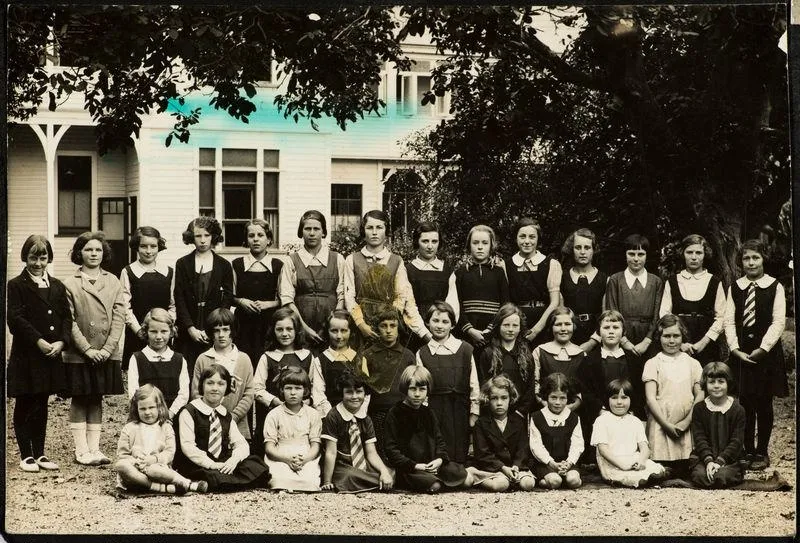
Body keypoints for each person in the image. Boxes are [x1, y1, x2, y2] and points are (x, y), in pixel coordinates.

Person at [723, 239, 788, 471]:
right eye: (746, 258)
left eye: (755, 258)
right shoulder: (735, 288)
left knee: (764, 402)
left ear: (763, 259)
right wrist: (734, 349)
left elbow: (779, 321)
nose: (750, 263)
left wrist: (763, 348)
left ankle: (762, 451)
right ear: (741, 262)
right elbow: (728, 321)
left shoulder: (774, 286)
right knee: (745, 403)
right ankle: (747, 449)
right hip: (741, 353)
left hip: (765, 355)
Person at [62, 231, 126, 466]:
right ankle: (81, 450)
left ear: (104, 253)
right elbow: (67, 321)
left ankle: (95, 449)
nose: (93, 254)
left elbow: (119, 316)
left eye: (98, 250)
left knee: (96, 397)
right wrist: (87, 349)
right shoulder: (69, 284)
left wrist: (108, 349)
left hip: (105, 351)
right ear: (79, 253)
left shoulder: (113, 281)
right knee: (80, 398)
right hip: (80, 354)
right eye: (88, 249)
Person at [7, 235, 69, 472]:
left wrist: (62, 342)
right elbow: (16, 318)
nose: (38, 263)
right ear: (25, 257)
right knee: (25, 401)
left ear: (49, 258)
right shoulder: (16, 285)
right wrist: (39, 341)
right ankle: (26, 455)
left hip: (51, 354)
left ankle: (40, 453)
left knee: (42, 402)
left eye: (43, 257)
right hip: (28, 354)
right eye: (33, 257)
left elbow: (66, 317)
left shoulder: (57, 286)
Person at [174, 364, 271, 492]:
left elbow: (241, 443)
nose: (215, 388)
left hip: (221, 459)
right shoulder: (190, 411)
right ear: (202, 385)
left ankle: (226, 481)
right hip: (199, 462)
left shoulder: (225, 414)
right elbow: (188, 447)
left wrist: (233, 461)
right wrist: (211, 464)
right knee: (214, 476)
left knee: (257, 467)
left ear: (226, 388)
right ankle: (220, 482)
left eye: (221, 384)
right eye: (210, 383)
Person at [343, 209, 430, 348]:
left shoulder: (396, 261)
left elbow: (403, 297)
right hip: (360, 329)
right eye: (369, 227)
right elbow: (349, 297)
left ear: (386, 231)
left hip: (388, 329)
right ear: (363, 230)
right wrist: (361, 325)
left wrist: (389, 322)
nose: (374, 232)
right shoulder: (352, 260)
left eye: (379, 227)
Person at [383, 365, 471, 492]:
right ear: (405, 389)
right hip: (410, 468)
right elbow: (391, 450)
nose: (417, 394)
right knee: (435, 486)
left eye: (422, 389)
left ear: (427, 390)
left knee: (466, 479)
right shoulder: (395, 413)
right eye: (413, 389)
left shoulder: (428, 413)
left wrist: (439, 460)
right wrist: (415, 465)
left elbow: (439, 441)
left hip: (431, 465)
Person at [416, 301, 480, 464]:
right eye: (435, 321)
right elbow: (421, 386)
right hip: (435, 409)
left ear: (452, 325)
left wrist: (474, 412)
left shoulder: (465, 349)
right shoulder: (423, 353)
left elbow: (474, 385)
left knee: (459, 448)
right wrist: (423, 414)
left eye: (445, 322)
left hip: (460, 408)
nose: (440, 326)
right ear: (427, 323)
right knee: (437, 446)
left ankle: (460, 473)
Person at [114, 384, 207, 494]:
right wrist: (136, 462)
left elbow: (169, 453)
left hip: (158, 470)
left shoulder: (166, 428)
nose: (147, 412)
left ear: (159, 407)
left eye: (151, 407)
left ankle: (187, 483)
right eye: (142, 409)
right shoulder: (129, 428)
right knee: (121, 465)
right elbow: (123, 455)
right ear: (136, 409)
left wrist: (154, 459)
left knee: (154, 470)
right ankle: (161, 488)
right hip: (135, 472)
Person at [642, 314, 704, 476]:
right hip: (661, 422)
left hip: (686, 421)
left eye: (676, 336)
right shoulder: (653, 363)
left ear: (683, 337)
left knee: (687, 466)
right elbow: (650, 398)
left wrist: (686, 421)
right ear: (659, 337)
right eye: (666, 336)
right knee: (660, 469)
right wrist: (666, 425)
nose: (671, 341)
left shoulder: (693, 363)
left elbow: (700, 395)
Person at [174, 216, 233, 376]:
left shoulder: (224, 265)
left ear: (213, 236)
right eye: (198, 236)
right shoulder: (182, 263)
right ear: (191, 237)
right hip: (189, 325)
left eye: (206, 235)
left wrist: (213, 327)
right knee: (187, 371)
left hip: (212, 326)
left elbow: (227, 298)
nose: (202, 240)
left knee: (212, 370)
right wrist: (190, 328)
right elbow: (179, 297)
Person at [252, 308, 313, 457]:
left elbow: (314, 386)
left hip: (301, 413)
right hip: (274, 413)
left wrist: (306, 403)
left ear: (297, 330)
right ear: (273, 331)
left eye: (289, 329)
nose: (284, 333)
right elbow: (256, 388)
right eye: (279, 329)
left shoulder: (307, 356)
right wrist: (276, 402)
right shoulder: (267, 357)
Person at [320, 371, 394, 492]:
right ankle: (369, 483)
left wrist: (384, 472)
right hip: (341, 465)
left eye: (359, 392)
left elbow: (371, 453)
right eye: (349, 392)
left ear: (365, 394)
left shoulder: (366, 418)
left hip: (362, 463)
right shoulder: (334, 416)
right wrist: (327, 482)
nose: (354, 397)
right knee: (348, 476)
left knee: (389, 473)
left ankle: (372, 481)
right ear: (342, 394)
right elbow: (331, 453)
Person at [279, 210, 345, 345]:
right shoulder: (290, 261)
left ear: (324, 232)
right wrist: (304, 328)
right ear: (301, 232)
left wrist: (331, 325)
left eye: (316, 229)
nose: (312, 233)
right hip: (300, 325)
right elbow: (286, 299)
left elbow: (342, 295)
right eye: (307, 228)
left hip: (332, 329)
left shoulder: (338, 259)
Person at [659, 234, 725, 366]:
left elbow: (722, 317)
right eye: (689, 252)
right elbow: (665, 314)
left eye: (698, 253)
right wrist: (680, 344)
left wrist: (704, 342)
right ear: (683, 253)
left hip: (706, 344)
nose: (694, 257)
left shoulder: (714, 282)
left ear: (704, 254)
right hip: (678, 342)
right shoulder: (672, 281)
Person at [359, 306, 417, 458]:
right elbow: (363, 387)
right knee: (381, 452)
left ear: (399, 328)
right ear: (377, 328)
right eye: (383, 326)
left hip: (402, 414)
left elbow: (413, 385)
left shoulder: (408, 355)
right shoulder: (368, 355)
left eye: (393, 326)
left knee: (404, 451)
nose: (388, 330)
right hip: (377, 414)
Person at [191, 308, 254, 442]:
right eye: (216, 330)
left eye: (226, 329)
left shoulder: (243, 359)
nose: (221, 335)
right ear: (210, 333)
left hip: (238, 425)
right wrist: (211, 417)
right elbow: (196, 393)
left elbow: (249, 394)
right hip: (208, 424)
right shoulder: (203, 359)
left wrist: (232, 418)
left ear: (233, 331)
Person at [590, 379, 666, 488]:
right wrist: (623, 465)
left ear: (631, 400)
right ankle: (637, 480)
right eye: (614, 398)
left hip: (633, 459)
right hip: (613, 462)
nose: (619, 402)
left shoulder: (635, 421)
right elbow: (603, 450)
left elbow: (644, 447)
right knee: (629, 476)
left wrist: (641, 461)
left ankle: (647, 477)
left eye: (624, 398)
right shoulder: (602, 420)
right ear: (607, 400)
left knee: (655, 468)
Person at [119, 226, 175, 372]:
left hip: (162, 334)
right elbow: (125, 306)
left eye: (153, 246)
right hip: (138, 335)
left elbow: (173, 304)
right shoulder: (128, 272)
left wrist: (167, 326)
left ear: (159, 247)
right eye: (144, 246)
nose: (148, 251)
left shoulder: (168, 272)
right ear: (137, 247)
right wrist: (138, 330)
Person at [467, 376, 536, 492]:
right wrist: (503, 468)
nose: (499, 403)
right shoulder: (481, 424)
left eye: (504, 398)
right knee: (501, 485)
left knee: (528, 484)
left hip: (515, 468)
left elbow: (523, 449)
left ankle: (512, 479)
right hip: (493, 468)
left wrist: (516, 466)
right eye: (494, 398)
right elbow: (483, 454)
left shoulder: (518, 422)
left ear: (511, 399)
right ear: (487, 399)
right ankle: (478, 478)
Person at [232, 219, 282, 371]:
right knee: (245, 362)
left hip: (268, 324)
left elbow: (284, 298)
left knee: (267, 362)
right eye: (251, 235)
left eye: (260, 235)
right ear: (246, 240)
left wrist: (269, 304)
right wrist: (241, 301)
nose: (255, 239)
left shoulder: (278, 265)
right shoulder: (237, 264)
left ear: (269, 239)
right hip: (243, 324)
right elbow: (230, 296)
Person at [581, 310, 646, 427]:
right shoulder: (589, 360)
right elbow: (586, 391)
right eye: (606, 327)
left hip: (629, 416)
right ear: (599, 332)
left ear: (623, 332)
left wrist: (631, 411)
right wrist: (600, 411)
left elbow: (640, 390)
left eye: (615, 327)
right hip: (600, 417)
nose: (611, 331)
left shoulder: (633, 360)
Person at [605, 234, 664, 360]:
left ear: (647, 255)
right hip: (621, 337)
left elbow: (657, 314)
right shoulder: (615, 280)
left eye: (641, 254)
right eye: (631, 254)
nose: (636, 259)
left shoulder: (656, 282)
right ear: (625, 254)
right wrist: (624, 341)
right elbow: (612, 312)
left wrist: (647, 341)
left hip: (648, 338)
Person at [263, 367, 323, 491]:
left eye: (298, 388)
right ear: (282, 390)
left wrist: (304, 459)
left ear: (305, 390)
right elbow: (269, 448)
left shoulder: (313, 414)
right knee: (279, 480)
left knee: (310, 481)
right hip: (280, 455)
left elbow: (315, 446)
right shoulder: (274, 415)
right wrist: (287, 459)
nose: (293, 393)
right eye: (288, 388)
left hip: (305, 455)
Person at [504, 218, 561, 346]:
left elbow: (554, 302)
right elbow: (506, 299)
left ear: (538, 239)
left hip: (543, 321)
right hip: (515, 322)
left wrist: (536, 330)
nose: (527, 241)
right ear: (516, 238)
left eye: (532, 237)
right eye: (522, 237)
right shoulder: (506, 265)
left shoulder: (550, 264)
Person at [453, 225, 510, 351]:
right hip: (467, 334)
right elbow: (457, 305)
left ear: (491, 246)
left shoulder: (499, 272)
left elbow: (505, 304)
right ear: (469, 245)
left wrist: (490, 330)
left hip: (493, 334)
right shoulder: (460, 273)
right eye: (475, 243)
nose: (480, 247)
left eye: (485, 243)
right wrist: (470, 330)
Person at [689, 362, 746, 488]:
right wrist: (709, 461)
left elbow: (736, 441)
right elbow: (700, 438)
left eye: (721, 381)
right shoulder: (699, 409)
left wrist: (720, 461)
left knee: (721, 476)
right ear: (705, 384)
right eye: (711, 382)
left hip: (730, 460)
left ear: (728, 383)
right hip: (704, 459)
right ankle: (711, 473)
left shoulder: (738, 409)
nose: (716, 386)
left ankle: (720, 475)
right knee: (700, 476)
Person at [477, 303, 537, 417]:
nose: (510, 329)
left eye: (515, 325)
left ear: (520, 328)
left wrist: (520, 412)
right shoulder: (488, 353)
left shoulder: (526, 355)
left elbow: (530, 388)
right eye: (506, 325)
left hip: (519, 415)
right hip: (493, 413)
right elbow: (483, 386)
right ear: (498, 326)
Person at [127, 308, 189, 419]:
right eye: (154, 332)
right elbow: (133, 393)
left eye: (164, 331)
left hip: (172, 417)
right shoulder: (137, 358)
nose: (159, 337)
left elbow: (184, 394)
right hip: (145, 417)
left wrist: (169, 414)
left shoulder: (179, 360)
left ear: (171, 332)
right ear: (146, 332)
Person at [405, 222, 459, 343]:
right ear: (417, 242)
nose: (430, 246)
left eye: (434, 241)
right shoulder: (408, 270)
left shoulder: (447, 271)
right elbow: (408, 308)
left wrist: (443, 330)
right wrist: (424, 333)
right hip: (415, 333)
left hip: (443, 334)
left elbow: (453, 305)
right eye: (425, 241)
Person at [529, 372, 584, 489]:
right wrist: (551, 463)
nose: (558, 402)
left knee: (573, 481)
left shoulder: (573, 418)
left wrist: (569, 463)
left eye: (562, 398)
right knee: (555, 481)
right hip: (546, 464)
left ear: (568, 397)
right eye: (553, 397)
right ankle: (546, 481)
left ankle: (567, 478)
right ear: (546, 396)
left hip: (567, 463)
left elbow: (577, 444)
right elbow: (536, 445)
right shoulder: (537, 417)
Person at [310, 309, 365, 417]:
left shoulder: (360, 360)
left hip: (356, 416)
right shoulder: (320, 361)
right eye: (334, 331)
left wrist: (356, 415)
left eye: (344, 331)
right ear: (328, 331)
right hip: (329, 417)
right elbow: (318, 394)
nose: (339, 336)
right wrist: (333, 417)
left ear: (351, 331)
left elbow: (366, 394)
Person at [560, 228, 608, 350]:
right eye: (578, 247)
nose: (582, 252)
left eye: (587, 248)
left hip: (596, 337)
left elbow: (606, 315)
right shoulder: (562, 278)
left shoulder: (604, 279)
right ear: (572, 249)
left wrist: (593, 342)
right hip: (568, 337)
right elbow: (560, 314)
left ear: (593, 250)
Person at [532, 307, 586, 413]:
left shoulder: (581, 354)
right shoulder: (539, 351)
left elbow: (584, 387)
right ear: (551, 327)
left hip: (574, 412)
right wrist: (544, 403)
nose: (563, 329)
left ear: (574, 326)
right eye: (558, 324)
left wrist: (576, 404)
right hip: (544, 410)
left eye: (567, 324)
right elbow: (535, 382)